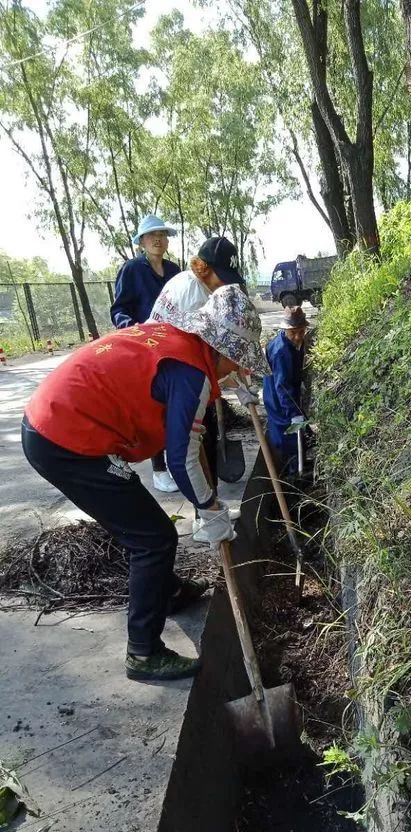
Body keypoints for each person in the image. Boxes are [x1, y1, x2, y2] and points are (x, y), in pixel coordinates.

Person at [22, 286, 262, 682]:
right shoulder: (191, 372)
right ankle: (144, 652)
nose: (238, 369)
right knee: (152, 538)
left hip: (54, 418)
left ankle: (168, 592)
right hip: (64, 437)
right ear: (222, 346)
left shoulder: (177, 340)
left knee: (146, 525)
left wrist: (209, 500)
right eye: (238, 361)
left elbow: (189, 439)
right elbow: (179, 458)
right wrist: (209, 508)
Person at [149, 236, 253, 541]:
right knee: (190, 449)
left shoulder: (196, 284)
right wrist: (233, 382)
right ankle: (205, 515)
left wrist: (237, 382)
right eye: (223, 278)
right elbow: (218, 349)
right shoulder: (194, 295)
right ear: (202, 267)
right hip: (174, 376)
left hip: (178, 372)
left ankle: (209, 509)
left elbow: (223, 353)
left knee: (200, 444)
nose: (225, 287)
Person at [110, 214, 182, 494]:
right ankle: (159, 469)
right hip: (144, 348)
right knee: (153, 406)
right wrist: (135, 329)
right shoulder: (132, 270)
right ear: (141, 242)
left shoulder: (174, 270)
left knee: (176, 406)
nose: (158, 239)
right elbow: (119, 310)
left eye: (162, 234)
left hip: (174, 345)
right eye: (152, 235)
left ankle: (180, 465)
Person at [262, 306, 309, 475]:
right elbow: (282, 387)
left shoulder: (293, 343)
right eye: (293, 333)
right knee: (289, 440)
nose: (297, 337)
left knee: (299, 437)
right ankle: (293, 477)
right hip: (280, 402)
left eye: (301, 331)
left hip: (285, 398)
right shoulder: (282, 351)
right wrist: (293, 413)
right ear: (285, 330)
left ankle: (296, 469)